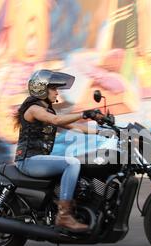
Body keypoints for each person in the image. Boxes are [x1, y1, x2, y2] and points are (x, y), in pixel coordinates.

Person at [13, 70, 103, 233]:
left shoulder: (47, 111)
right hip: (28, 161)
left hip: (38, 160)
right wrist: (84, 113)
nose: (57, 92)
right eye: (54, 88)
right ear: (41, 89)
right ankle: (64, 216)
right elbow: (56, 121)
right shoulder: (34, 109)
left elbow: (75, 127)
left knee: (78, 164)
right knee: (72, 163)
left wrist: (103, 130)